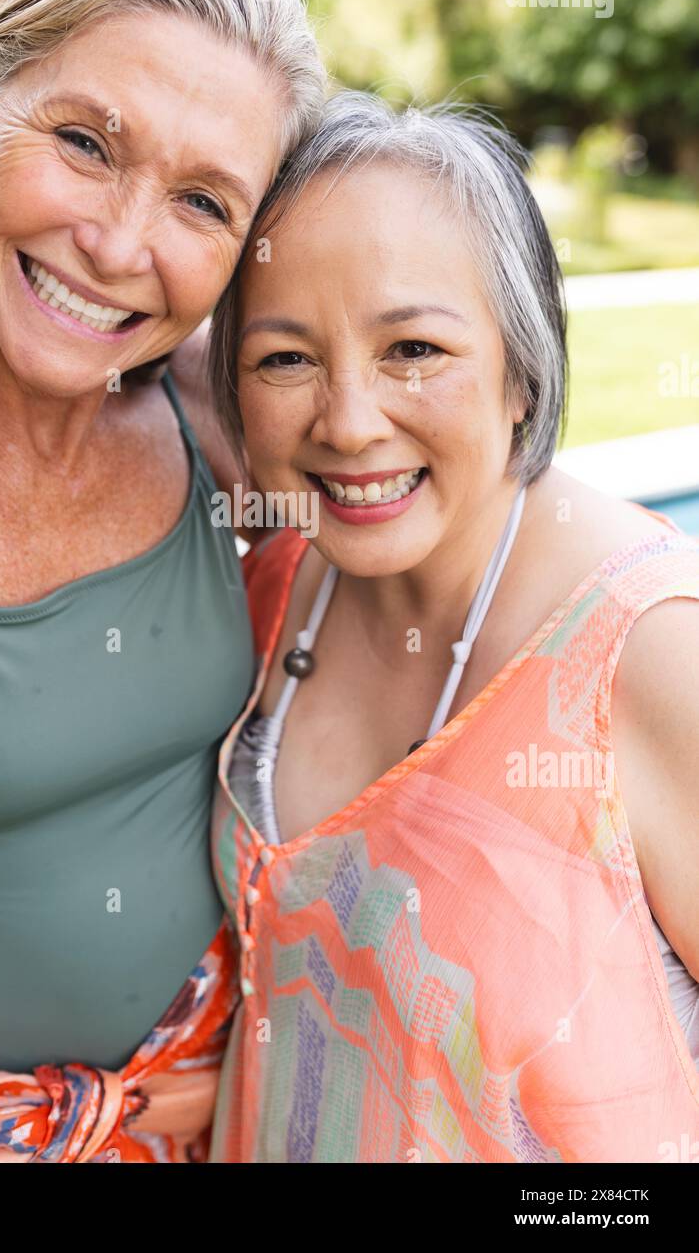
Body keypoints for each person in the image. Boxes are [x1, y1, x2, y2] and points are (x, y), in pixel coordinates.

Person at [0, 0, 325, 1162]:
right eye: (85, 143)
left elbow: (469, 518)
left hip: (240, 1094)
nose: (117, 247)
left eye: (204, 202)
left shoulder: (219, 403)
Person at [205, 92, 699, 1162]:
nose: (347, 420)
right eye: (285, 358)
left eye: (414, 348)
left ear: (523, 371)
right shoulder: (275, 585)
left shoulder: (653, 651)